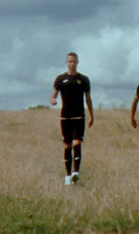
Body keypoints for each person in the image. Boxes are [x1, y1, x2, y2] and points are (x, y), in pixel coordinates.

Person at [50, 52, 94, 185]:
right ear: (66, 62)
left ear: (78, 62)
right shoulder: (60, 79)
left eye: (74, 62)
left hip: (79, 116)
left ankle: (76, 172)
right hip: (65, 117)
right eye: (70, 61)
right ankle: (68, 176)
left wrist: (92, 115)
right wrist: (53, 100)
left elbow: (88, 98)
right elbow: (54, 95)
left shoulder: (84, 79)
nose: (72, 64)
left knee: (77, 143)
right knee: (67, 146)